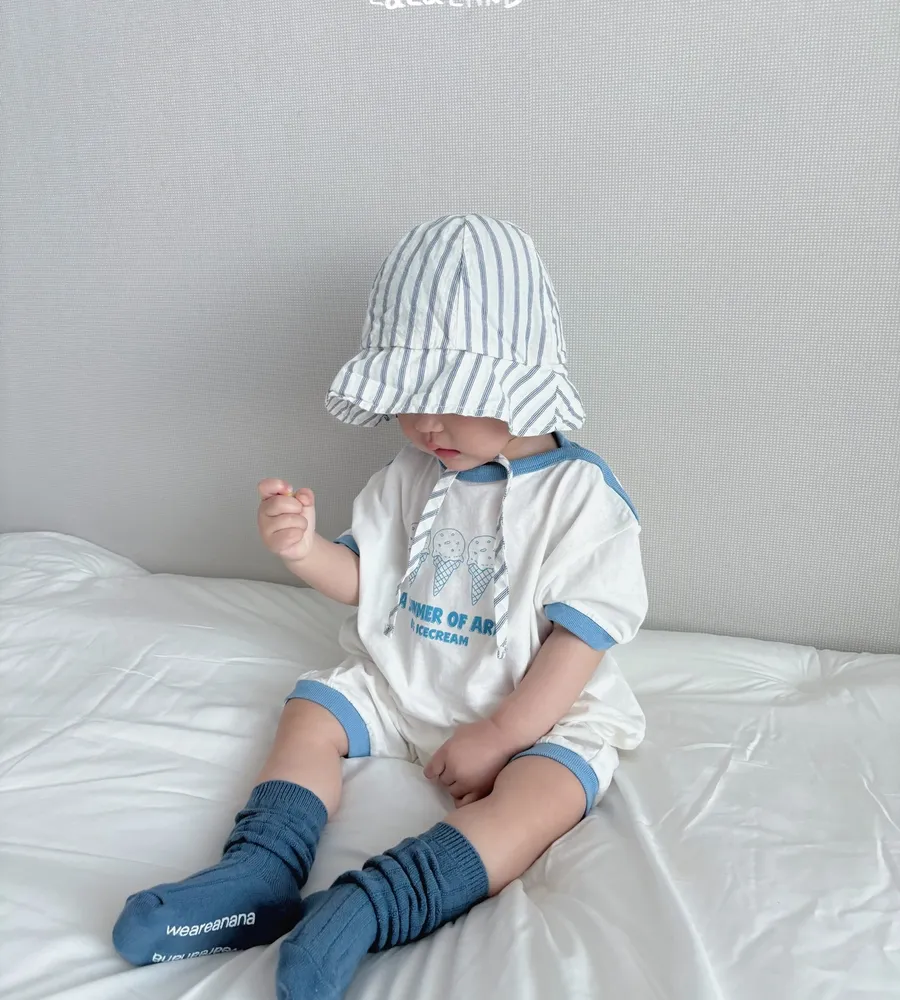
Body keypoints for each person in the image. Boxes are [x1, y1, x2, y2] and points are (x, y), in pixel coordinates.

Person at [112, 215, 649, 999]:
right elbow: (368, 581)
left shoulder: (580, 499)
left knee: (545, 799)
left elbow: (578, 643)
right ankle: (261, 870)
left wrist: (503, 735)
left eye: (450, 397)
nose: (426, 423)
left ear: (518, 383)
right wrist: (303, 550)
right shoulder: (411, 476)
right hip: (408, 680)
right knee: (313, 709)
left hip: (538, 711)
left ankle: (372, 906)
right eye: (410, 397)